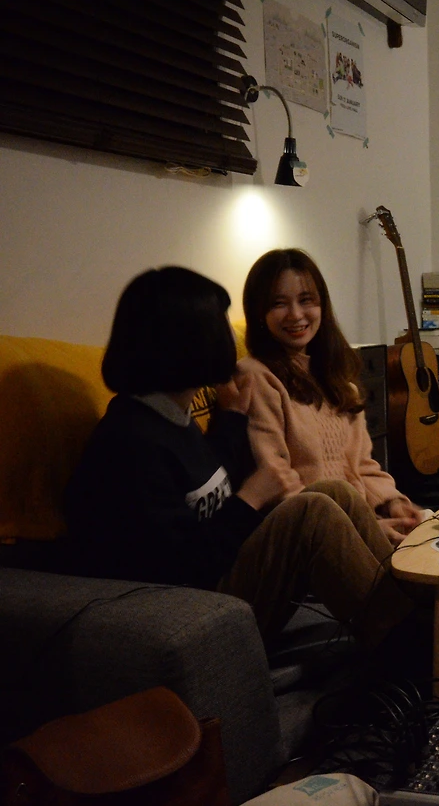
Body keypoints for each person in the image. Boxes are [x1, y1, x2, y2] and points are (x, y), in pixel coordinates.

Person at [63, 267, 417, 652]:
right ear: (184, 343)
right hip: (189, 601)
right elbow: (179, 563)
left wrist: (232, 418)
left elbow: (206, 482)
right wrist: (251, 498)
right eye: (218, 325)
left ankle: (418, 608)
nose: (230, 338)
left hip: (216, 572)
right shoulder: (130, 442)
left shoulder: (173, 417)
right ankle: (405, 644)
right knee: (313, 511)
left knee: (334, 491)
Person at [238, 248, 420, 546]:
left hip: (356, 521)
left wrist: (393, 503)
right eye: (279, 304)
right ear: (259, 312)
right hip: (307, 535)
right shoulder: (256, 376)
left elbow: (362, 465)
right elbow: (277, 481)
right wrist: (366, 529)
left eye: (306, 300)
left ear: (321, 304)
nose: (296, 315)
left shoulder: (338, 382)